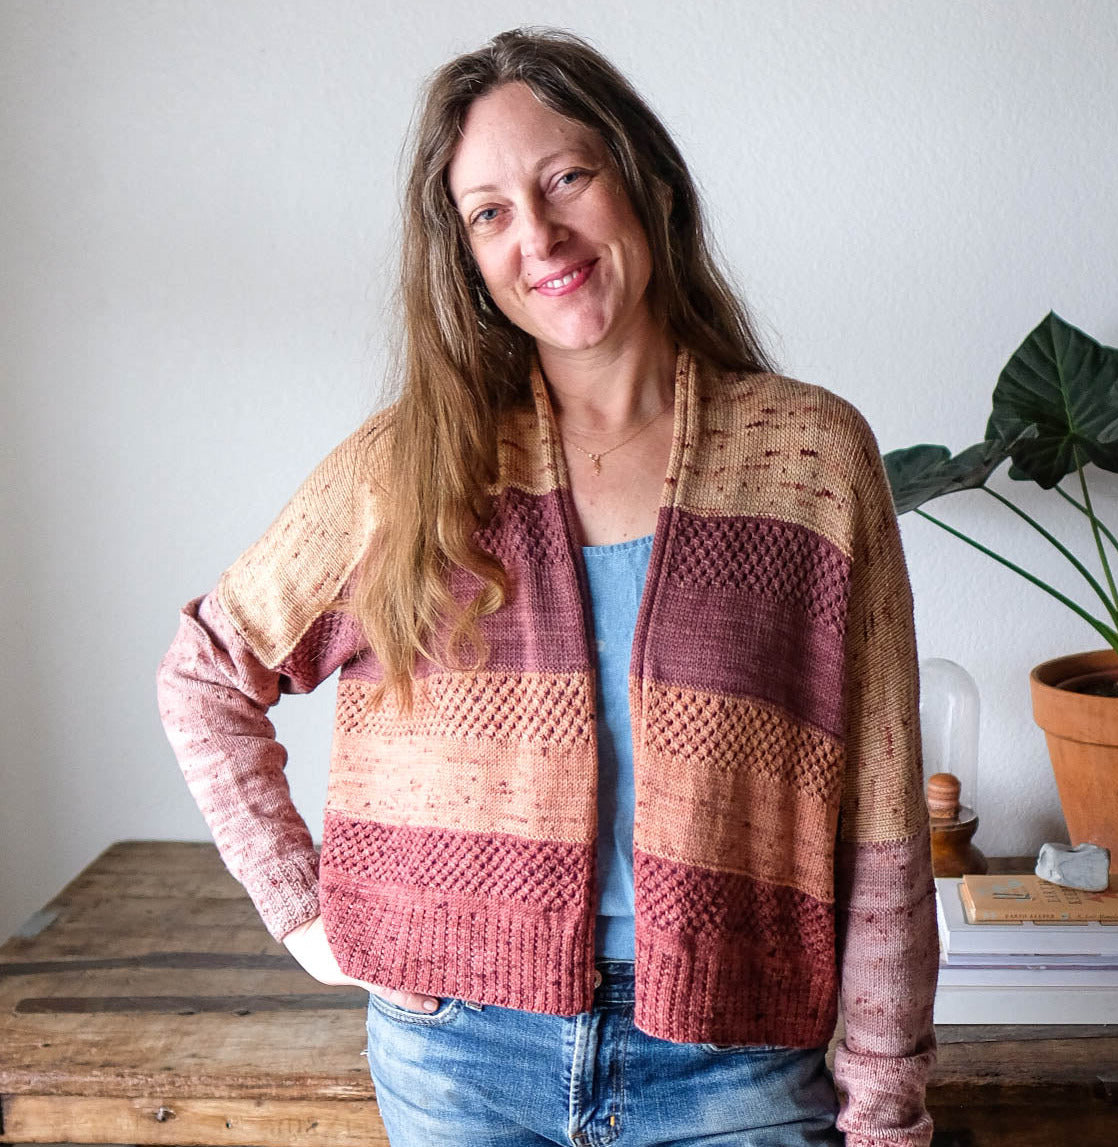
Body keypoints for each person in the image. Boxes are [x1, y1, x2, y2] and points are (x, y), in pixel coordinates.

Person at [157, 27, 938, 1147]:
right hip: (459, 1057)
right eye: (489, 213)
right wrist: (307, 913)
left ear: (648, 182)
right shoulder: (409, 468)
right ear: (466, 257)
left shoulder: (811, 458)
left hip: (735, 1066)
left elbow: (881, 821)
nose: (540, 235)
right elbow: (204, 676)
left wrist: (887, 1108)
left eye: (567, 176)